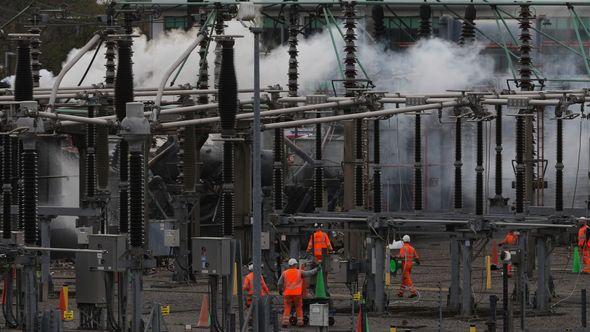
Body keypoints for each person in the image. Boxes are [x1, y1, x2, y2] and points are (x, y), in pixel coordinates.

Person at [277, 258, 318, 327]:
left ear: (289, 265)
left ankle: (285, 323)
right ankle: (300, 323)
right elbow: (309, 273)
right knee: (298, 307)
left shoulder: (285, 273)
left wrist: (280, 291)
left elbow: (279, 283)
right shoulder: (299, 272)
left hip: (287, 294)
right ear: (295, 265)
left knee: (287, 308)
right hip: (297, 294)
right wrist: (317, 269)